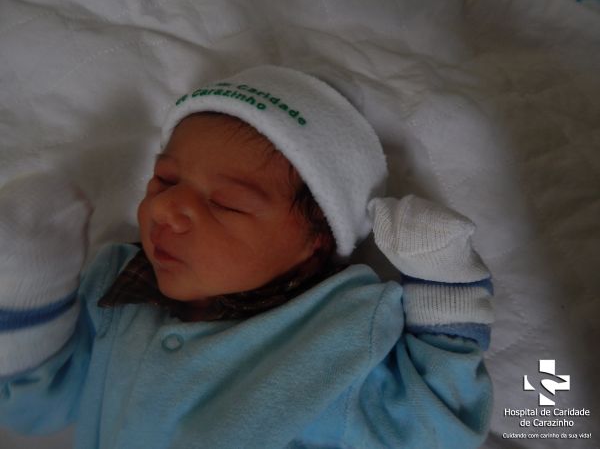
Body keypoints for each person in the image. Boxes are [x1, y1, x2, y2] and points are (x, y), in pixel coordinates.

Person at [0, 65, 494, 448]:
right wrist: (32, 280)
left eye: (226, 203)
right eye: (164, 181)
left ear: (316, 242)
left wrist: (444, 282)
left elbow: (436, 433)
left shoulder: (334, 334)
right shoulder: (119, 291)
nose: (165, 208)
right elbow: (38, 407)